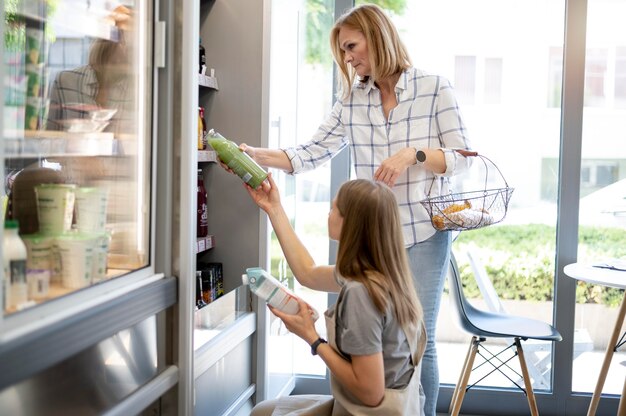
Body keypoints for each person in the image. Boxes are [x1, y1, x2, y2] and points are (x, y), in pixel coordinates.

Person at [236, 4, 472, 414]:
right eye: (343, 51)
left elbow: (464, 158)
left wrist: (413, 155)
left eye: (351, 46)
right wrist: (252, 154)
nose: (347, 58)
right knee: (376, 329)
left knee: (422, 340)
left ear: (377, 36)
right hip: (373, 235)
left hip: (422, 232)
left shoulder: (434, 88)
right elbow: (310, 153)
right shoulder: (351, 100)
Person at [247, 174, 426, 415]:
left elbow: (371, 394)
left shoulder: (361, 293)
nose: (328, 214)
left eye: (333, 209)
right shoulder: (385, 273)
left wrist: (312, 338)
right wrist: (274, 208)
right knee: (265, 410)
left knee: (262, 412)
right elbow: (307, 273)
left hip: (367, 408)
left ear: (349, 223)